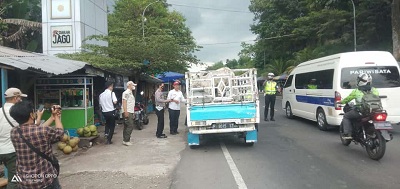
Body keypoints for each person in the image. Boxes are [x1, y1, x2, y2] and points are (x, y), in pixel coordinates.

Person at [9, 101, 63, 189]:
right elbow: (60, 133)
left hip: (24, 182)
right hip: (45, 181)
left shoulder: (14, 132)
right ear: (31, 115)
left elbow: (35, 129)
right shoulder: (42, 131)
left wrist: (51, 118)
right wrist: (56, 116)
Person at [0, 88, 27, 189]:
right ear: (15, 98)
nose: (21, 100)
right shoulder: (17, 113)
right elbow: (27, 128)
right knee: (15, 181)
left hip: (0, 150)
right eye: (20, 98)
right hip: (12, 152)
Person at [340, 73, 378, 139]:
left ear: (360, 81)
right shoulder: (374, 90)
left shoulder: (357, 91)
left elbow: (348, 99)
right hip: (374, 111)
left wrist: (340, 102)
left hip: (362, 111)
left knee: (346, 116)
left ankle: (347, 134)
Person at [121, 81, 137, 146]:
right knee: (130, 125)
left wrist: (133, 112)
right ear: (129, 85)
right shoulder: (126, 93)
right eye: (133, 85)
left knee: (126, 126)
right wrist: (125, 111)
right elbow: (124, 102)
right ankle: (126, 140)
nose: (134, 86)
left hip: (130, 111)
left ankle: (125, 140)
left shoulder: (130, 93)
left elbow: (131, 104)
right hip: (127, 111)